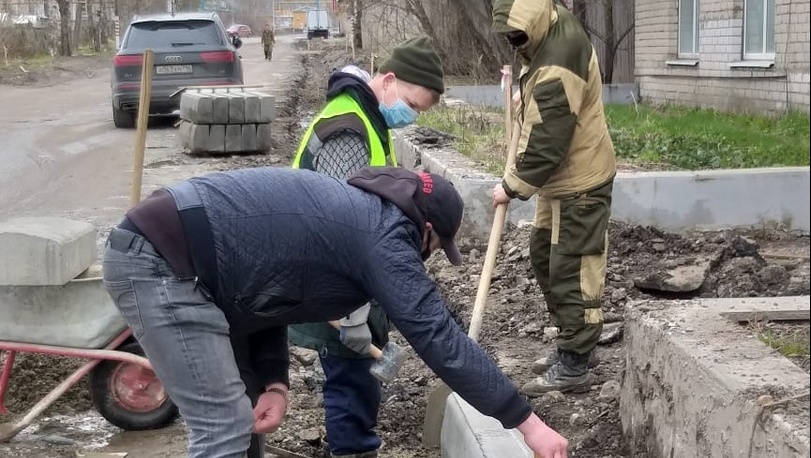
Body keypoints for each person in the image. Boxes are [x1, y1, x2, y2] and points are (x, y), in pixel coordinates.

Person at [102, 166, 569, 458]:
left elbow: (259, 299)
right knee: (222, 427)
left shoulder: (354, 215)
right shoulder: (382, 234)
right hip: (161, 261)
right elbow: (439, 337)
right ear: (425, 230)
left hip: (192, 267)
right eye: (435, 247)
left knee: (240, 422)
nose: (427, 257)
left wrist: (273, 383)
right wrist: (527, 423)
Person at [287, 35, 444, 458]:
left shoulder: (368, 119)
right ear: (389, 81)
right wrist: (351, 312)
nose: (410, 116)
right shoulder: (346, 128)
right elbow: (340, 226)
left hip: (346, 282)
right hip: (331, 283)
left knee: (355, 377)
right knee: (350, 379)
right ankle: (353, 452)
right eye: (411, 104)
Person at [491, 0, 617, 395]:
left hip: (580, 180)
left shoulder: (560, 56)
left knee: (572, 270)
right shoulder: (545, 30)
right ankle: (572, 341)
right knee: (544, 255)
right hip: (560, 181)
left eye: (517, 35)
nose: (514, 44)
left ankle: (576, 363)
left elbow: (549, 139)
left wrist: (512, 186)